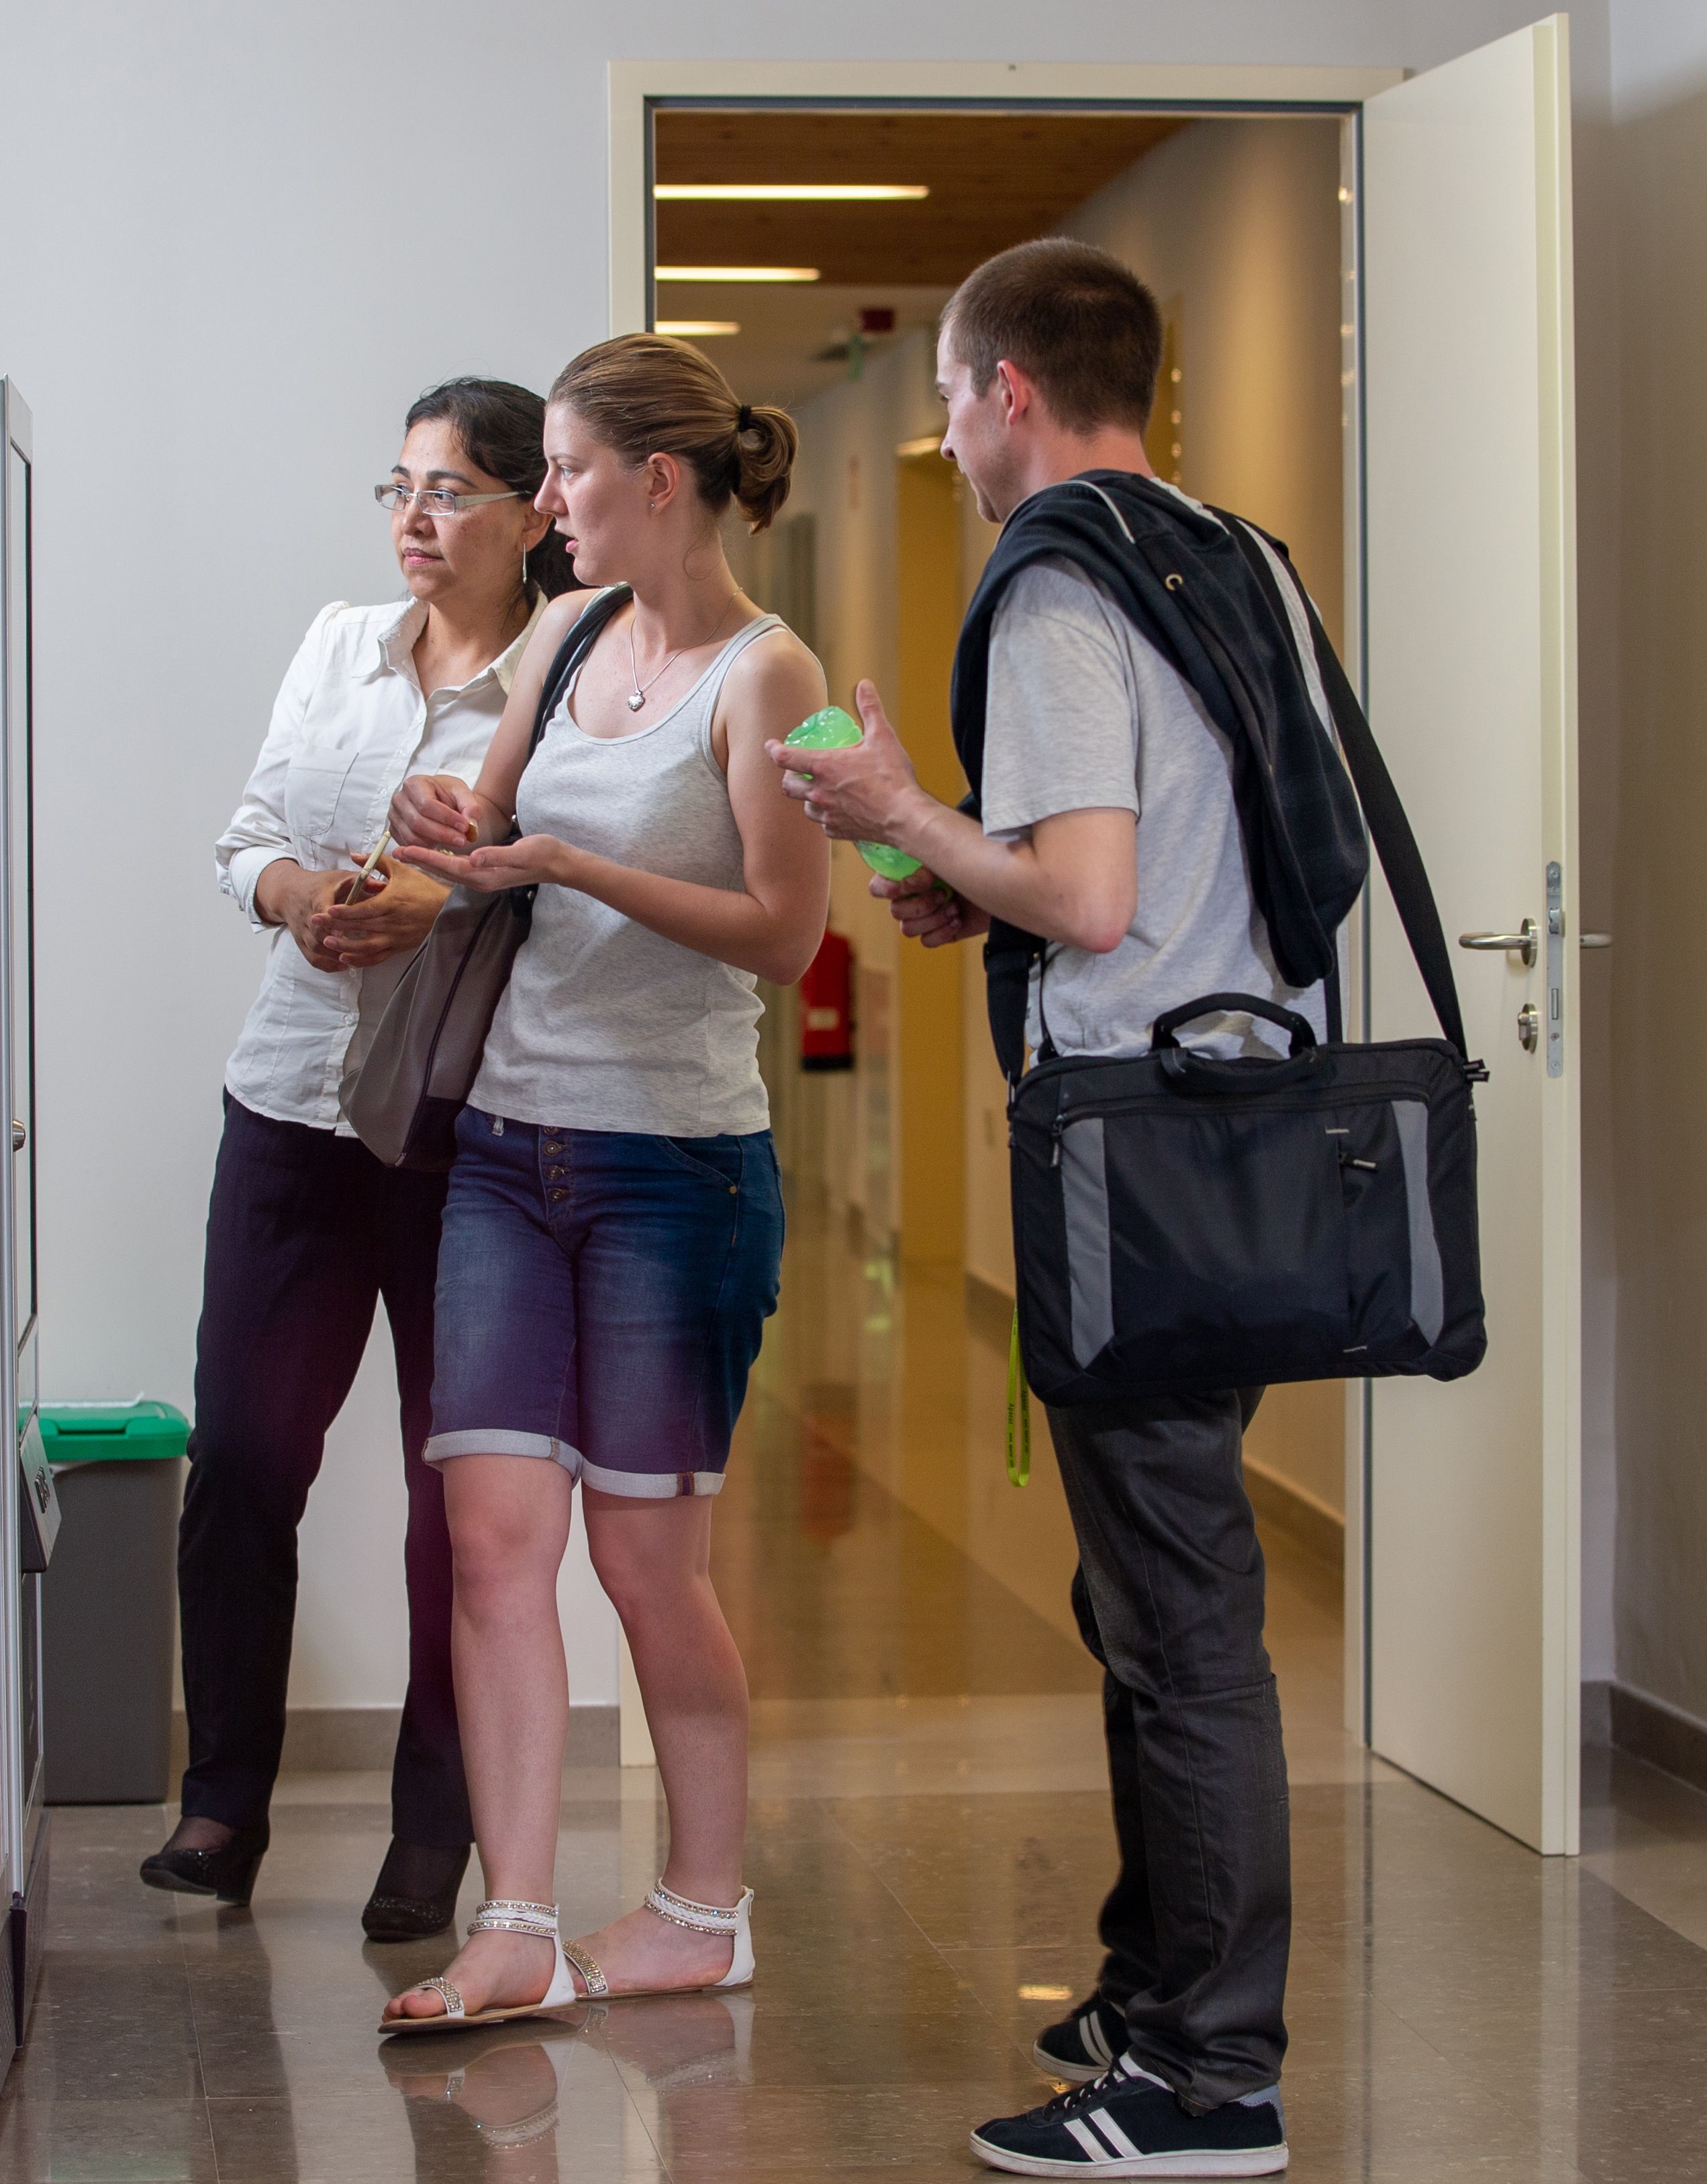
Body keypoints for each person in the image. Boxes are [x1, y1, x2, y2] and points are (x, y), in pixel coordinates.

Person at [773, 238, 1363, 2179]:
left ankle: (1210, 2079)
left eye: (946, 398)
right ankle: (1149, 1985)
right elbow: (1205, 864)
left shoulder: (1051, 582)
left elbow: (1094, 903)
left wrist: (895, 817)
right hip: (1251, 1133)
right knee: (1149, 1591)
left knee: (1177, 1618)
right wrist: (985, 876)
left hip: (1130, 1150)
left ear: (1007, 388)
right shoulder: (1231, 553)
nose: (942, 437)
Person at [375, 334, 828, 2031]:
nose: (542, 502)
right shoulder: (564, 637)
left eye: (563, 471)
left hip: (674, 1171)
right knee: (493, 1540)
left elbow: (787, 935)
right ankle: (513, 1923)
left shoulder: (766, 676)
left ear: (660, 478)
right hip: (505, 1144)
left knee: (647, 1561)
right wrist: (450, 826)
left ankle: (703, 1905)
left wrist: (572, 860)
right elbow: (490, 836)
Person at [150, 378, 581, 1943]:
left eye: (454, 489)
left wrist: (440, 901)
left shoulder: (573, 664)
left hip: (464, 1129)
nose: (416, 516)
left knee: (446, 1501)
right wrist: (296, 900)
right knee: (246, 1458)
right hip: (291, 1102)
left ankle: (430, 1836)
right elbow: (248, 827)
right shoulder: (342, 643)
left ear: (539, 507)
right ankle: (222, 1804)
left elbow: (578, 883)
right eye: (399, 485)